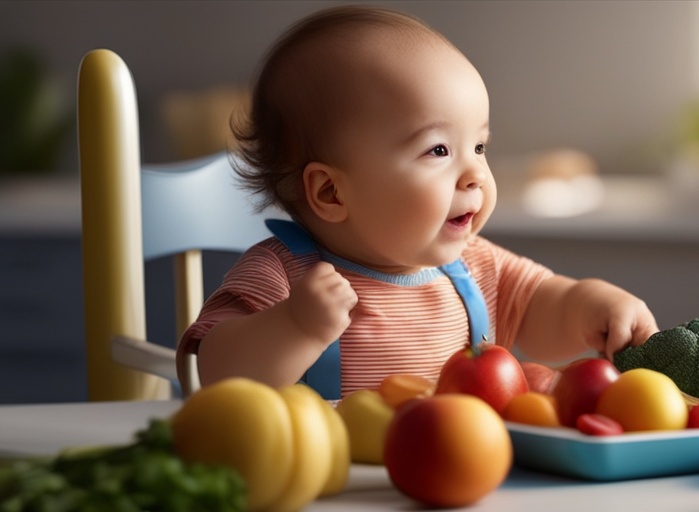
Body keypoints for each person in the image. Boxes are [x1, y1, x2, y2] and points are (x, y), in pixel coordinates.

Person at [178, 4, 658, 399]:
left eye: (480, 147)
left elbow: (543, 307)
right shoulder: (285, 277)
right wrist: (295, 326)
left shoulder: (473, 265)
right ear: (330, 191)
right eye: (439, 151)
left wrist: (595, 306)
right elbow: (216, 371)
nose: (475, 173)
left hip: (464, 479)